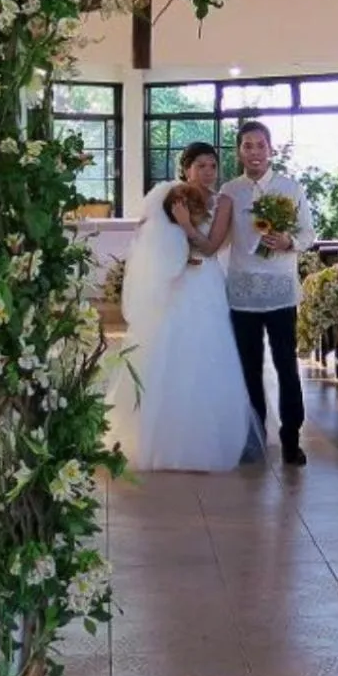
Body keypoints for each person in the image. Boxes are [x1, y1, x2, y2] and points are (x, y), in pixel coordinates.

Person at [106, 142, 261, 472]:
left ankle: (205, 441)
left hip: (205, 283)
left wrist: (186, 225)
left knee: (206, 354)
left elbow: (210, 247)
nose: (207, 172)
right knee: (165, 351)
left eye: (212, 166)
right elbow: (146, 239)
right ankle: (158, 439)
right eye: (201, 166)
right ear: (186, 168)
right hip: (174, 285)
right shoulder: (167, 195)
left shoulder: (223, 202)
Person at [219, 121, 316, 466]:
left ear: (270, 149)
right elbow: (219, 236)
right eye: (247, 145)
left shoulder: (290, 188)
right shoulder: (230, 191)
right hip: (242, 291)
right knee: (248, 367)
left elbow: (308, 234)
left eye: (260, 145)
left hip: (280, 290)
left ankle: (291, 437)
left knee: (286, 364)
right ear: (239, 151)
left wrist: (290, 241)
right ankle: (254, 435)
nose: (254, 152)